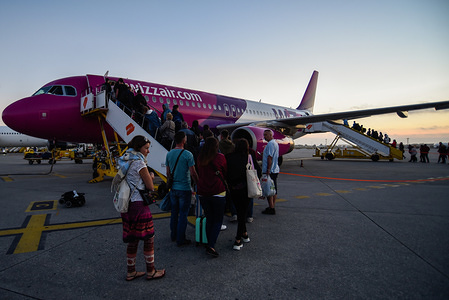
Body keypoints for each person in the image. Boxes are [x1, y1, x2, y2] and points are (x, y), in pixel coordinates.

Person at [119, 135, 165, 281]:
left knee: (133, 239)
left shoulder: (125, 160)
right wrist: (151, 176)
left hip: (128, 204)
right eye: (146, 148)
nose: (148, 151)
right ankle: (151, 271)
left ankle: (131, 272)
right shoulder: (139, 163)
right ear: (139, 147)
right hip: (139, 204)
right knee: (149, 238)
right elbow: (150, 187)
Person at [165, 131, 199, 246]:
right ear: (184, 140)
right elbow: (193, 173)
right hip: (184, 188)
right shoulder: (188, 154)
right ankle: (181, 239)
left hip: (173, 188)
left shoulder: (169, 154)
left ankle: (173, 235)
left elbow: (168, 173)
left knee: (174, 213)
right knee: (183, 214)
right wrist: (198, 183)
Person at [196, 136, 227, 257]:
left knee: (209, 218)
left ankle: (208, 241)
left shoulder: (200, 158)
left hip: (203, 192)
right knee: (218, 220)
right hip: (217, 191)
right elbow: (225, 172)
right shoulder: (220, 157)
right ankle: (211, 245)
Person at [225, 139, 252, 251]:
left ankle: (244, 234)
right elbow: (257, 171)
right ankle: (237, 240)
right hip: (245, 189)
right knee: (242, 214)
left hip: (233, 189)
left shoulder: (228, 157)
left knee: (240, 211)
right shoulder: (248, 157)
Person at [262, 129, 279, 215]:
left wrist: (268, 170)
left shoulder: (270, 144)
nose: (264, 136)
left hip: (270, 170)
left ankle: (271, 208)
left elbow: (270, 157)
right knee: (273, 189)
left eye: (266, 135)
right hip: (275, 169)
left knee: (269, 189)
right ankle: (272, 206)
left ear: (270, 135)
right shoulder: (275, 143)